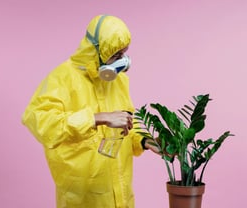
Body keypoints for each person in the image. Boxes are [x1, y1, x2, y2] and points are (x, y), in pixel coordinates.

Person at [22, 15, 158, 208]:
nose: (122, 61)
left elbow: (127, 121)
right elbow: (41, 122)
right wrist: (96, 119)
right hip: (82, 196)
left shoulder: (118, 81)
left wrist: (145, 141)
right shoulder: (62, 78)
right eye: (115, 55)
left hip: (120, 192)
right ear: (97, 50)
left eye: (124, 53)